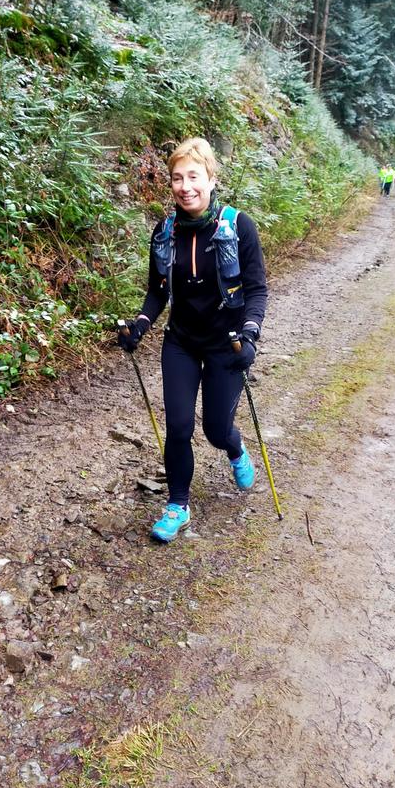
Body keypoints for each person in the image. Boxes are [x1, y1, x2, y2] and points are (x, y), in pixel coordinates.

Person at [116, 137, 268, 543]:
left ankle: (235, 449)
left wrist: (251, 334)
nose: (185, 187)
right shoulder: (165, 231)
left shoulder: (239, 226)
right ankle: (177, 505)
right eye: (177, 178)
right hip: (180, 341)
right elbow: (157, 291)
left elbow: (256, 289)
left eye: (194, 177)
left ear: (211, 179)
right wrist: (140, 324)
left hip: (227, 344)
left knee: (216, 430)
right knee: (179, 426)